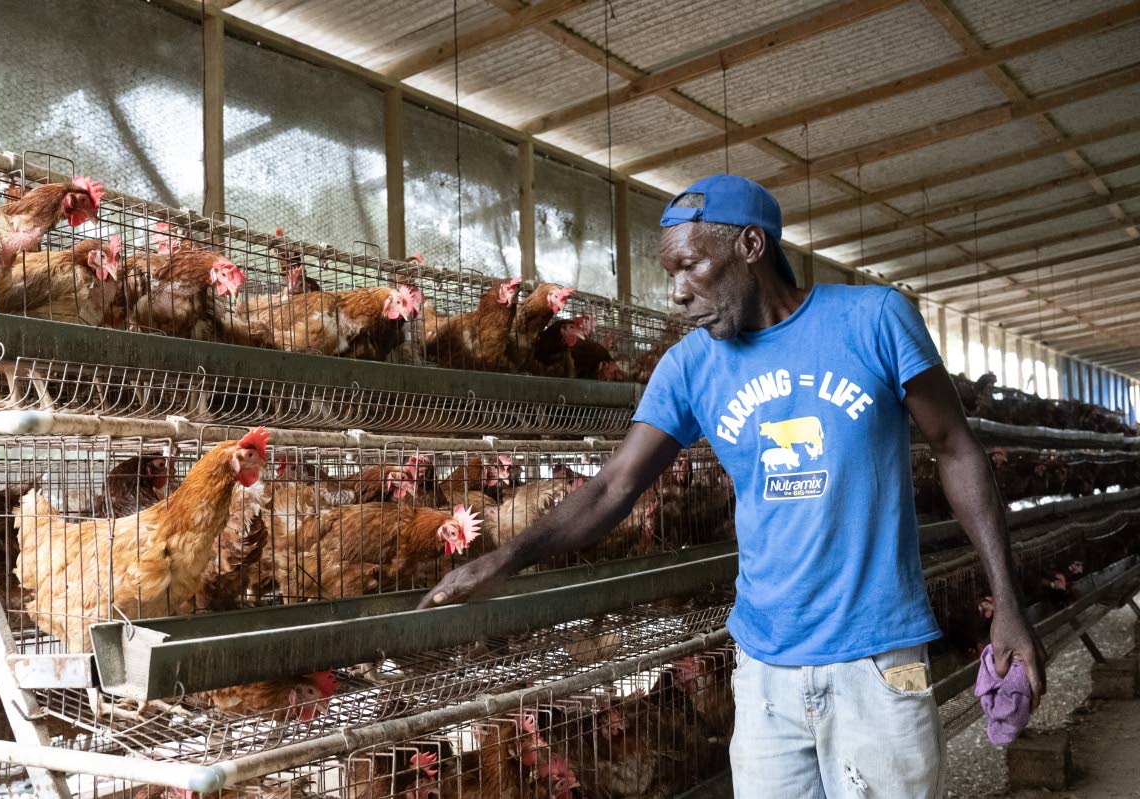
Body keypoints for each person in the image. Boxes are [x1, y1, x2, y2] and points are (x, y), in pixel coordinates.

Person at [419, 174, 1045, 798]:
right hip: (765, 670)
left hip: (875, 661)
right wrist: (507, 558)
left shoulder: (874, 319)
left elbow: (957, 449)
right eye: (670, 275)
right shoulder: (691, 365)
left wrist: (1008, 603)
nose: (677, 293)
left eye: (689, 267)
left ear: (750, 245)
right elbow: (613, 487)